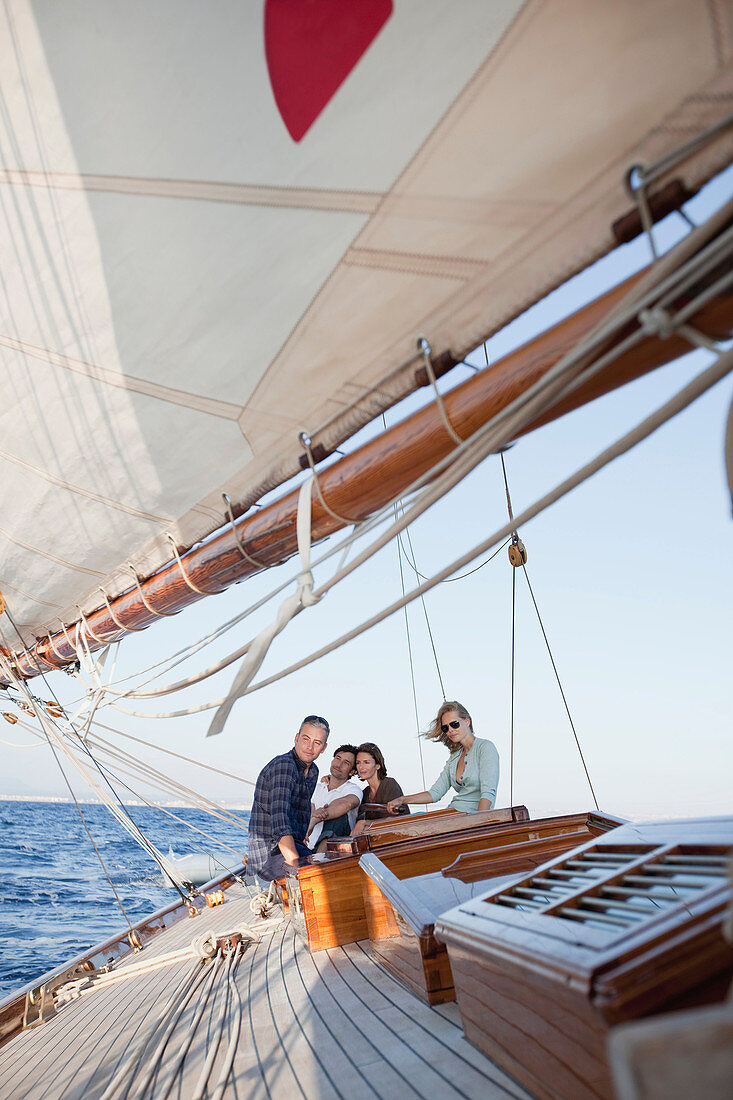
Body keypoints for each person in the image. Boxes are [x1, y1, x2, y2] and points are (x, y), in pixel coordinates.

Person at [246, 715, 329, 882]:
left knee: (333, 869)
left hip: (294, 846)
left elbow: (300, 811)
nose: (310, 746)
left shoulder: (313, 772)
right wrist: (295, 864)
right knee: (318, 880)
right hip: (267, 855)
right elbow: (280, 820)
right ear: (296, 738)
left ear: (324, 748)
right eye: (306, 739)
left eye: (317, 742)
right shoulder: (284, 766)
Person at [387, 701, 499, 815]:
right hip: (452, 815)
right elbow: (435, 793)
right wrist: (402, 800)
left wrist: (479, 822)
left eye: (454, 724)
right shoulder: (454, 757)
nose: (450, 730)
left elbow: (488, 793)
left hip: (470, 819)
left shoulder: (485, 748)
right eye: (445, 728)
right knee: (412, 819)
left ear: (467, 721)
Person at [306, 743, 362, 852]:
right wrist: (313, 813)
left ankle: (320, 859)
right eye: (338, 758)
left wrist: (315, 819)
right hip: (307, 845)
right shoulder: (317, 787)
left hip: (335, 850)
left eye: (346, 763)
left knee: (339, 816)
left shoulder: (353, 789)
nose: (339, 764)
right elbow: (309, 806)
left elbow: (347, 804)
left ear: (351, 772)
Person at [351, 742, 409, 835]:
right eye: (358, 763)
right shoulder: (365, 793)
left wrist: (365, 823)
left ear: (378, 765)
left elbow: (395, 820)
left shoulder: (389, 784)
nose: (361, 767)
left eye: (366, 762)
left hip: (400, 836)